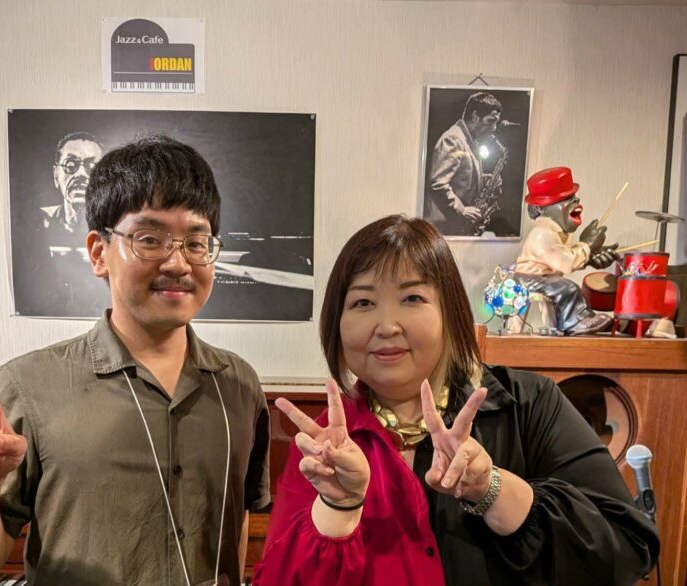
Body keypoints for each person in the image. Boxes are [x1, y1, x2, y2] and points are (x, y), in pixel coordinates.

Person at [0, 136, 271, 586]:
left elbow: (238, 524)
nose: (178, 263)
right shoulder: (29, 384)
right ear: (98, 252)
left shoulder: (240, 384)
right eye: (149, 239)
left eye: (196, 242)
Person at [253, 215, 658, 585]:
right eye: (363, 302)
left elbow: (627, 550)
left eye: (412, 298)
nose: (387, 325)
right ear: (337, 324)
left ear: (450, 312)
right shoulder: (325, 445)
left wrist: (493, 490)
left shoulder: (528, 405)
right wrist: (337, 508)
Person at [13, 131, 110, 318]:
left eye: (91, 166)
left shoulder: (117, 231)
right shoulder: (39, 225)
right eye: (70, 165)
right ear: (56, 175)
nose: (80, 174)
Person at [515, 166, 619, 335]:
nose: (575, 201)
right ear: (541, 208)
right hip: (527, 279)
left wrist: (591, 256)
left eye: (574, 197)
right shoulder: (542, 234)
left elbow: (567, 254)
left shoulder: (558, 233)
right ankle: (575, 322)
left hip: (545, 277)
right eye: (564, 199)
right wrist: (586, 245)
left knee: (563, 286)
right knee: (568, 288)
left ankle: (573, 322)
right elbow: (566, 263)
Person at [424, 92, 502, 236]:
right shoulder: (453, 139)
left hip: (455, 227)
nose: (494, 128)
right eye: (490, 121)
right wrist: (462, 210)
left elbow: (463, 175)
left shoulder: (470, 139)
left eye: (496, 123)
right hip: (445, 229)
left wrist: (487, 179)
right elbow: (438, 184)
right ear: (475, 116)